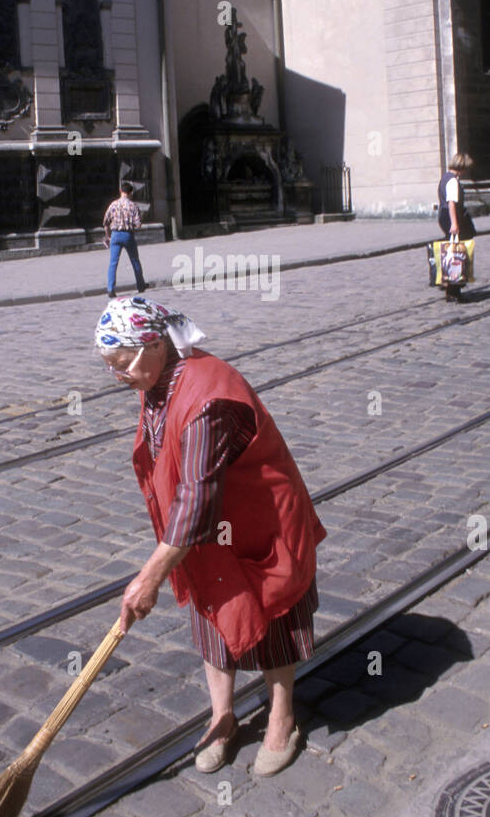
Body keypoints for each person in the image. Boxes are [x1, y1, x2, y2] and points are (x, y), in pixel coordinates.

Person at [95, 296, 325, 778]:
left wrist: (149, 577)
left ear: (152, 345)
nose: (118, 377)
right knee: (212, 615)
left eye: (121, 365)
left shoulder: (208, 399)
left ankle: (282, 718)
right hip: (209, 532)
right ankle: (223, 717)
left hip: (260, 519)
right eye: (111, 366)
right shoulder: (157, 373)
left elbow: (197, 499)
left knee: (272, 612)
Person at [437, 152, 475, 303]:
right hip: (451, 216)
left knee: (453, 251)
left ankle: (450, 287)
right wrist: (455, 223)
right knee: (457, 254)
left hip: (444, 215)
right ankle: (453, 289)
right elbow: (452, 202)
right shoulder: (453, 181)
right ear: (462, 167)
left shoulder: (445, 177)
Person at [103, 181, 146, 297]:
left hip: (115, 235)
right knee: (135, 261)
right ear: (131, 192)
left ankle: (111, 289)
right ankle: (141, 285)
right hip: (128, 235)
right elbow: (138, 224)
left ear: (121, 191)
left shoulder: (113, 205)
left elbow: (106, 223)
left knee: (113, 263)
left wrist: (109, 236)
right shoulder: (133, 205)